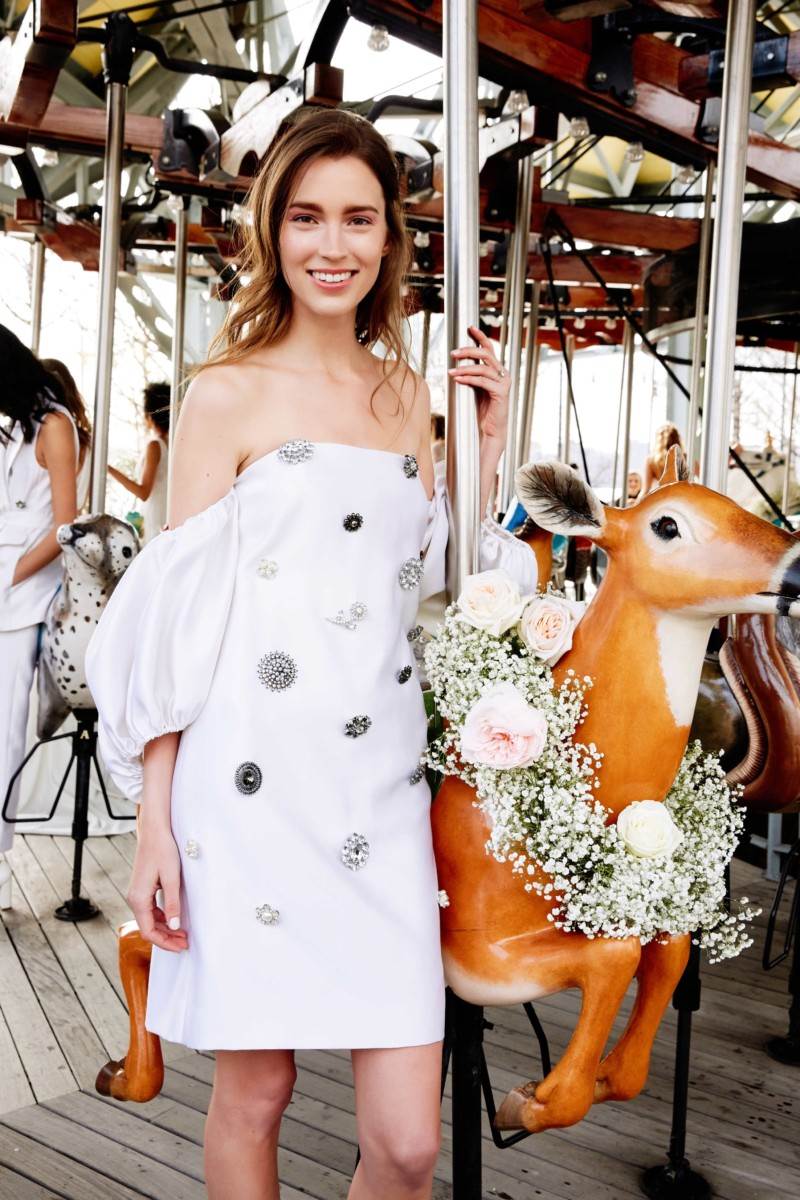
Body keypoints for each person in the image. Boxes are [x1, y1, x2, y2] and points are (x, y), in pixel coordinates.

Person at [85, 109, 536, 1200]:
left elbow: (431, 587)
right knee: (257, 1095)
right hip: (247, 786)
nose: (332, 245)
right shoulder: (224, 393)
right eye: (306, 217)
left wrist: (484, 444)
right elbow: (177, 621)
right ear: (271, 230)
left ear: (389, 238)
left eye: (358, 219)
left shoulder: (409, 396)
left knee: (408, 1146)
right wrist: (154, 822)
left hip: (379, 783)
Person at [0, 327, 82, 908]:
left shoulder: (55, 426)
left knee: (3, 736)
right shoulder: (15, 427)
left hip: (22, 599)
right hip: (7, 584)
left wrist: (8, 576)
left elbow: (65, 526)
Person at [107, 382, 170, 542]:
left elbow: (143, 492)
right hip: (163, 513)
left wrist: (109, 469)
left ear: (149, 415)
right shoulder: (170, 443)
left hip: (155, 517)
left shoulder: (155, 446)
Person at [642, 422, 686, 495]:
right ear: (677, 439)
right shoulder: (685, 457)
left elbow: (646, 489)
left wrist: (636, 502)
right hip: (683, 497)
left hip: (664, 498)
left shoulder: (652, 461)